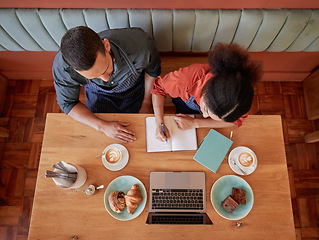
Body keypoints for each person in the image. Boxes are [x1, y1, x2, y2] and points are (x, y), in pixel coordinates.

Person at [52, 26, 161, 142]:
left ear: (106, 46)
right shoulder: (63, 68)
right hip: (98, 95)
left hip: (135, 90)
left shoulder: (141, 46)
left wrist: (146, 102)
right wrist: (102, 126)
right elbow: (68, 103)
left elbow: (153, 72)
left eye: (106, 69)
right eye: (94, 77)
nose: (105, 79)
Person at [151, 43, 262, 142]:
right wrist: (159, 123)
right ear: (204, 93)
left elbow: (234, 122)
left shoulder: (238, 101)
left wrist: (196, 123)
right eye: (205, 110)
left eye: (208, 114)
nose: (204, 116)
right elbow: (158, 88)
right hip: (184, 101)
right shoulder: (185, 81)